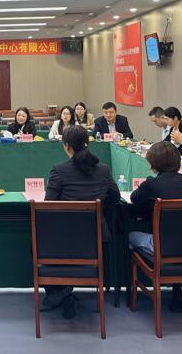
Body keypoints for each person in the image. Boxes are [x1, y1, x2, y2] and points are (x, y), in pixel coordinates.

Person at [43, 126, 120, 319]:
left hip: (64, 240)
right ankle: (64, 292)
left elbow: (48, 205)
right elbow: (115, 197)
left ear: (67, 146)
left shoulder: (59, 170)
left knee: (37, 242)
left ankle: (61, 293)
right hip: (95, 239)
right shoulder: (103, 169)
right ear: (87, 143)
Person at [127, 141, 182, 312]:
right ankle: (177, 291)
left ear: (153, 163)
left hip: (162, 248)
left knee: (129, 236)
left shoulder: (151, 184)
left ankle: (130, 291)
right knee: (177, 236)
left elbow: (134, 199)